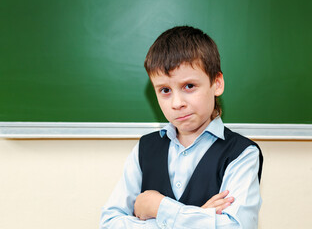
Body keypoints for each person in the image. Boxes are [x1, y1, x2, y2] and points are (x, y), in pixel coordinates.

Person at [100, 26, 263, 229]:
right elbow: (109, 223)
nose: (177, 103)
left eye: (189, 86)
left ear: (217, 83)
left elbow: (237, 227)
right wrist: (201, 217)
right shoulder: (144, 149)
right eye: (165, 90)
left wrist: (158, 208)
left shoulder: (242, 154)